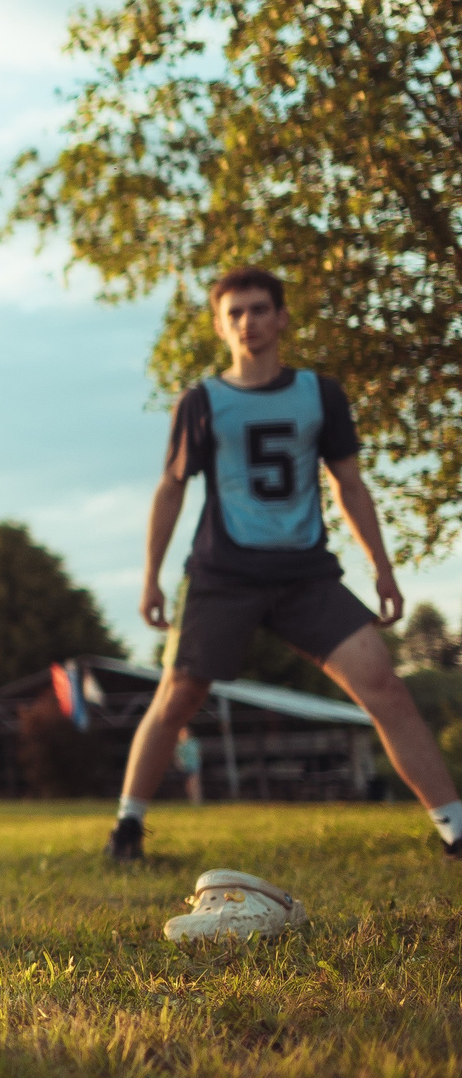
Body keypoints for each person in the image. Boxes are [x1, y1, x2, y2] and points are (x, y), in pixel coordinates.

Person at [107, 267, 459, 863]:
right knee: (178, 697)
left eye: (259, 309)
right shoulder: (202, 402)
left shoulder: (320, 394)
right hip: (223, 574)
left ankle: (454, 827)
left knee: (385, 686)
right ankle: (128, 828)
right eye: (235, 313)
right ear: (221, 325)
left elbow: (349, 484)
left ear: (282, 317)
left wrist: (383, 568)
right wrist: (151, 577)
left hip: (305, 575)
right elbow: (170, 490)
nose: (249, 321)